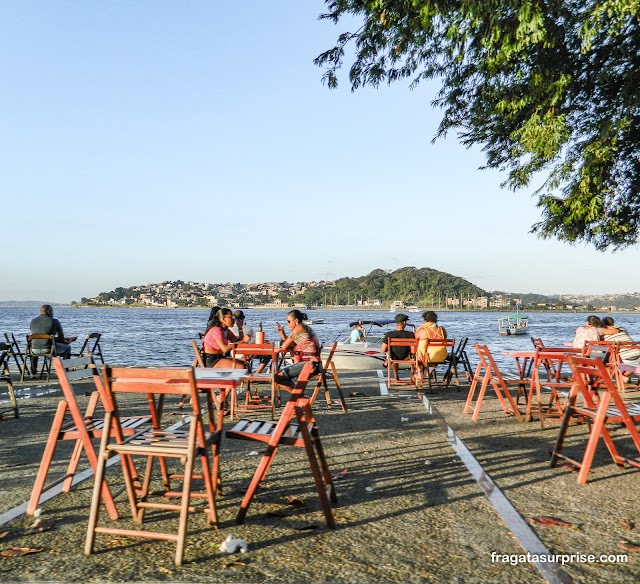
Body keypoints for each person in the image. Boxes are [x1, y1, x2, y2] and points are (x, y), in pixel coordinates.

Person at [274, 310, 322, 387]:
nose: (287, 324)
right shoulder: (302, 329)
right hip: (312, 363)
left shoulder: (299, 328)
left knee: (277, 377)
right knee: (279, 376)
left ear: (296, 320)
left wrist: (282, 337)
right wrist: (282, 333)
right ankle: (299, 396)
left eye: (289, 321)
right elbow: (288, 346)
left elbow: (284, 346)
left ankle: (300, 397)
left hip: (309, 364)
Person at [29, 305, 71, 373]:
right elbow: (61, 337)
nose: (53, 313)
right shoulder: (54, 321)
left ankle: (33, 371)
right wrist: (62, 341)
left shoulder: (33, 321)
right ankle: (65, 370)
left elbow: (33, 334)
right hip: (48, 349)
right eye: (52, 311)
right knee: (68, 348)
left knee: (36, 346)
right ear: (48, 311)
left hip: (33, 350)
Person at [381, 314, 415, 381]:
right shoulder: (410, 334)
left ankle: (396, 376)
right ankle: (412, 377)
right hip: (407, 357)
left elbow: (383, 349)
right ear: (404, 322)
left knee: (392, 355)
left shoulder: (389, 334)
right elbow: (413, 350)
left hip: (394, 358)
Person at [414, 311, 448, 379]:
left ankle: (419, 372)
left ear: (425, 321)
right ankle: (429, 371)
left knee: (419, 351)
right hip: (441, 356)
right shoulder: (442, 330)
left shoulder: (422, 331)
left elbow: (414, 340)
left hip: (425, 357)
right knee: (436, 351)